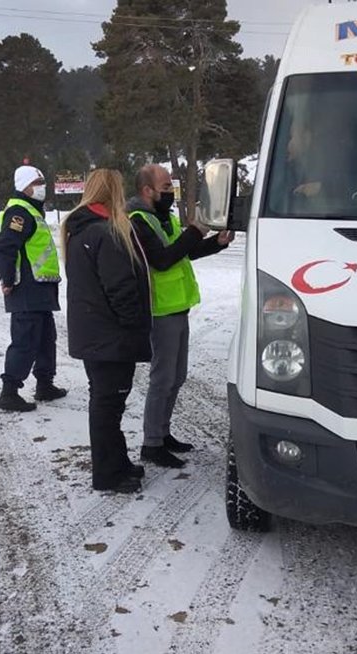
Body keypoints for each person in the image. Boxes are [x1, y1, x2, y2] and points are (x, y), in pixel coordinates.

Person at [128, 165, 233, 470]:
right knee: (162, 378)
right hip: (160, 310)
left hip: (178, 306)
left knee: (177, 376)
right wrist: (195, 231)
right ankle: (151, 443)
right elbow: (162, 260)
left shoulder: (162, 218)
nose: (170, 191)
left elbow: (185, 251)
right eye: (164, 186)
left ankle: (162, 433)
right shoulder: (138, 221)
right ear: (147, 190)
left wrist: (216, 242)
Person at [62, 169, 151, 493]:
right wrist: (133, 324)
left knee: (106, 402)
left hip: (93, 332)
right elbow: (120, 287)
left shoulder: (80, 230)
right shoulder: (105, 232)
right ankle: (107, 473)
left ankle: (117, 461)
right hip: (110, 335)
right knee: (107, 404)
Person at [0, 164, 67, 412]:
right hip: (25, 286)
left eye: (42, 182)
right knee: (25, 340)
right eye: (36, 183)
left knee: (46, 338)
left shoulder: (33, 211)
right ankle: (10, 391)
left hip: (41, 287)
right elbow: (6, 247)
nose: (41, 188)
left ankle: (45, 384)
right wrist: (6, 279)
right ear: (24, 186)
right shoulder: (19, 212)